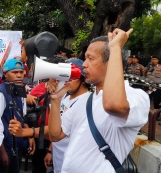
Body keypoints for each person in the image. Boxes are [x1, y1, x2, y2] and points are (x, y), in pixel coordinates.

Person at [48, 29, 150, 172]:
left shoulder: (136, 97)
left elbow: (112, 105)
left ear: (110, 62)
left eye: (90, 58)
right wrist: (55, 101)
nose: (84, 64)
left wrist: (115, 48)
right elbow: (55, 135)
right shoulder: (85, 100)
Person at [9, 58, 91, 173]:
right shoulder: (65, 98)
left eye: (72, 77)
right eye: (65, 77)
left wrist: (24, 132)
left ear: (83, 79)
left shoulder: (86, 101)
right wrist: (51, 151)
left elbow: (61, 129)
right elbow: (55, 127)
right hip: (60, 160)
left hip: (75, 164)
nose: (67, 81)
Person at [0, 58, 36, 173]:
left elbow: (23, 117)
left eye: (21, 72)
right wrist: (1, 151)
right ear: (6, 74)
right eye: (14, 72)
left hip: (17, 144)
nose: (19, 76)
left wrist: (29, 135)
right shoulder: (0, 93)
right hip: (5, 145)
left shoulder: (20, 90)